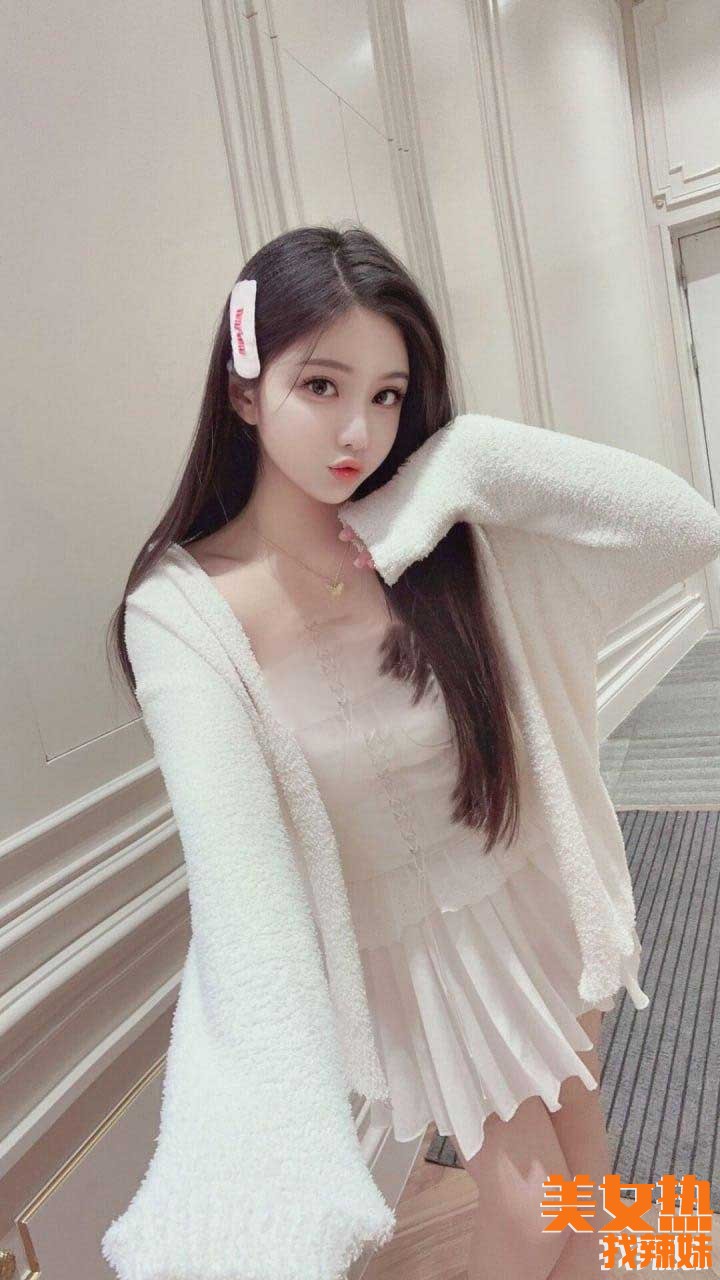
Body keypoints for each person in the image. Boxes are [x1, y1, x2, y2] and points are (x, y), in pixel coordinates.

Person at [102, 224, 720, 1280]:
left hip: (525, 887)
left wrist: (463, 458)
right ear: (245, 390)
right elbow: (235, 873)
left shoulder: (428, 532)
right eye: (322, 385)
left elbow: (684, 525)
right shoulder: (184, 613)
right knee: (529, 1209)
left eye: (388, 395)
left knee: (585, 1174)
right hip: (421, 950)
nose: (360, 430)